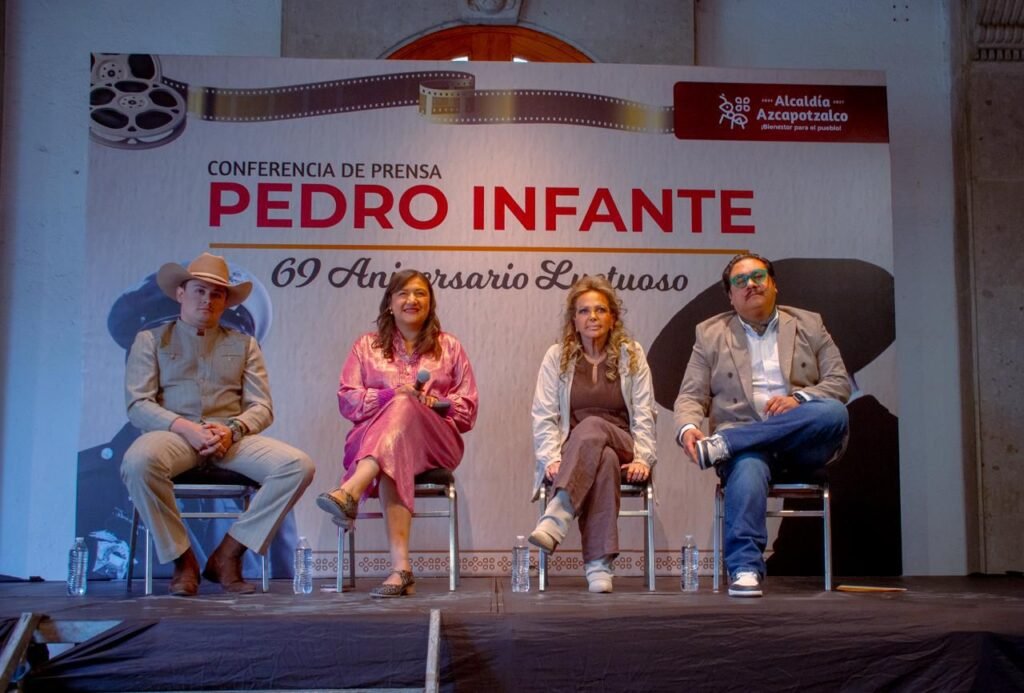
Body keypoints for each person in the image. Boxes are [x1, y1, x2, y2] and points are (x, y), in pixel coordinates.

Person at [120, 252, 315, 596]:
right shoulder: (150, 340)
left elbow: (261, 407)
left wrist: (232, 429)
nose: (207, 300)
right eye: (199, 291)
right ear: (180, 293)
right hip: (175, 437)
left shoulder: (244, 344)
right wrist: (185, 428)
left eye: (217, 294)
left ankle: (228, 554)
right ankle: (183, 561)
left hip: (230, 439)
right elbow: (139, 405)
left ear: (225, 301)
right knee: (138, 462)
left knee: (298, 466)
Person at [673, 253, 850, 597]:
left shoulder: (809, 324)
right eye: (740, 281)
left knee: (835, 413)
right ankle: (745, 568)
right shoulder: (710, 334)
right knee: (748, 464)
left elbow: (839, 383)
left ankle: (728, 443)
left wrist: (799, 400)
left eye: (758, 277)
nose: (750, 285)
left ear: (773, 284)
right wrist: (688, 428)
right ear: (731, 296)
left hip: (802, 446)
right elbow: (690, 396)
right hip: (750, 453)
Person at [317, 269, 478, 598]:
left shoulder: (450, 347)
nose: (412, 300)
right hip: (375, 441)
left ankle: (351, 490)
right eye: (403, 293)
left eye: (420, 293)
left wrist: (431, 404)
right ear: (389, 303)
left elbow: (467, 411)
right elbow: (348, 401)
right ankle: (401, 570)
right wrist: (391, 396)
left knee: (404, 409)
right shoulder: (366, 346)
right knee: (394, 446)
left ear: (430, 303)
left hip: (437, 443)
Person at [529, 276, 657, 593]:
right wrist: (550, 458)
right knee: (605, 461)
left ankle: (557, 516)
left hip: (624, 442)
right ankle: (599, 565)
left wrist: (643, 458)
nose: (593, 317)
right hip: (578, 449)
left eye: (600, 310)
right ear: (574, 320)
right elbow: (544, 414)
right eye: (584, 311)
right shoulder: (557, 356)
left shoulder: (631, 354)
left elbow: (645, 412)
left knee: (593, 426)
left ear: (613, 317)